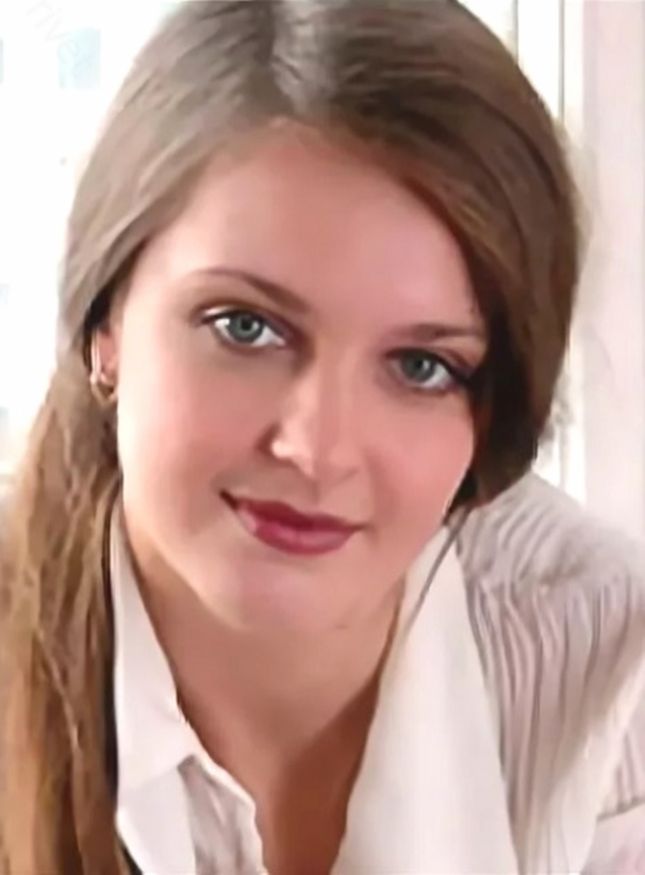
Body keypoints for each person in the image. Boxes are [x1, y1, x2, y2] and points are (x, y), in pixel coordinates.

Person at [1, 1, 643, 872]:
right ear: (105, 325)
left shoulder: (613, 670)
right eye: (245, 328)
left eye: (420, 366)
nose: (317, 449)